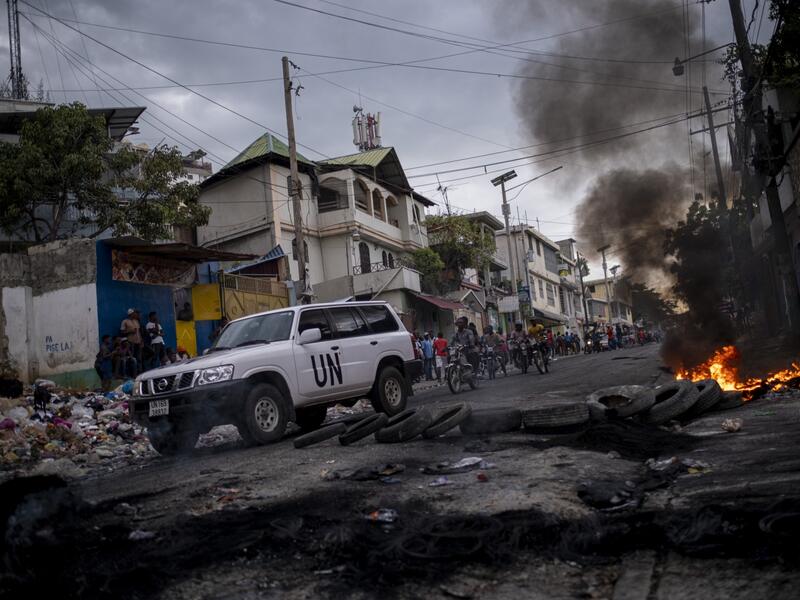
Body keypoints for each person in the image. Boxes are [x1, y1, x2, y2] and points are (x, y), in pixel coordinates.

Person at [120, 309, 143, 374]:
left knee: (139, 358)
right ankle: (132, 373)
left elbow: (139, 332)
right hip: (130, 342)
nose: (135, 314)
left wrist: (141, 341)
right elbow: (121, 332)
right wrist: (130, 331)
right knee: (132, 358)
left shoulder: (136, 321)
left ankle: (139, 372)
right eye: (134, 313)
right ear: (131, 314)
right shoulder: (125, 321)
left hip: (138, 342)